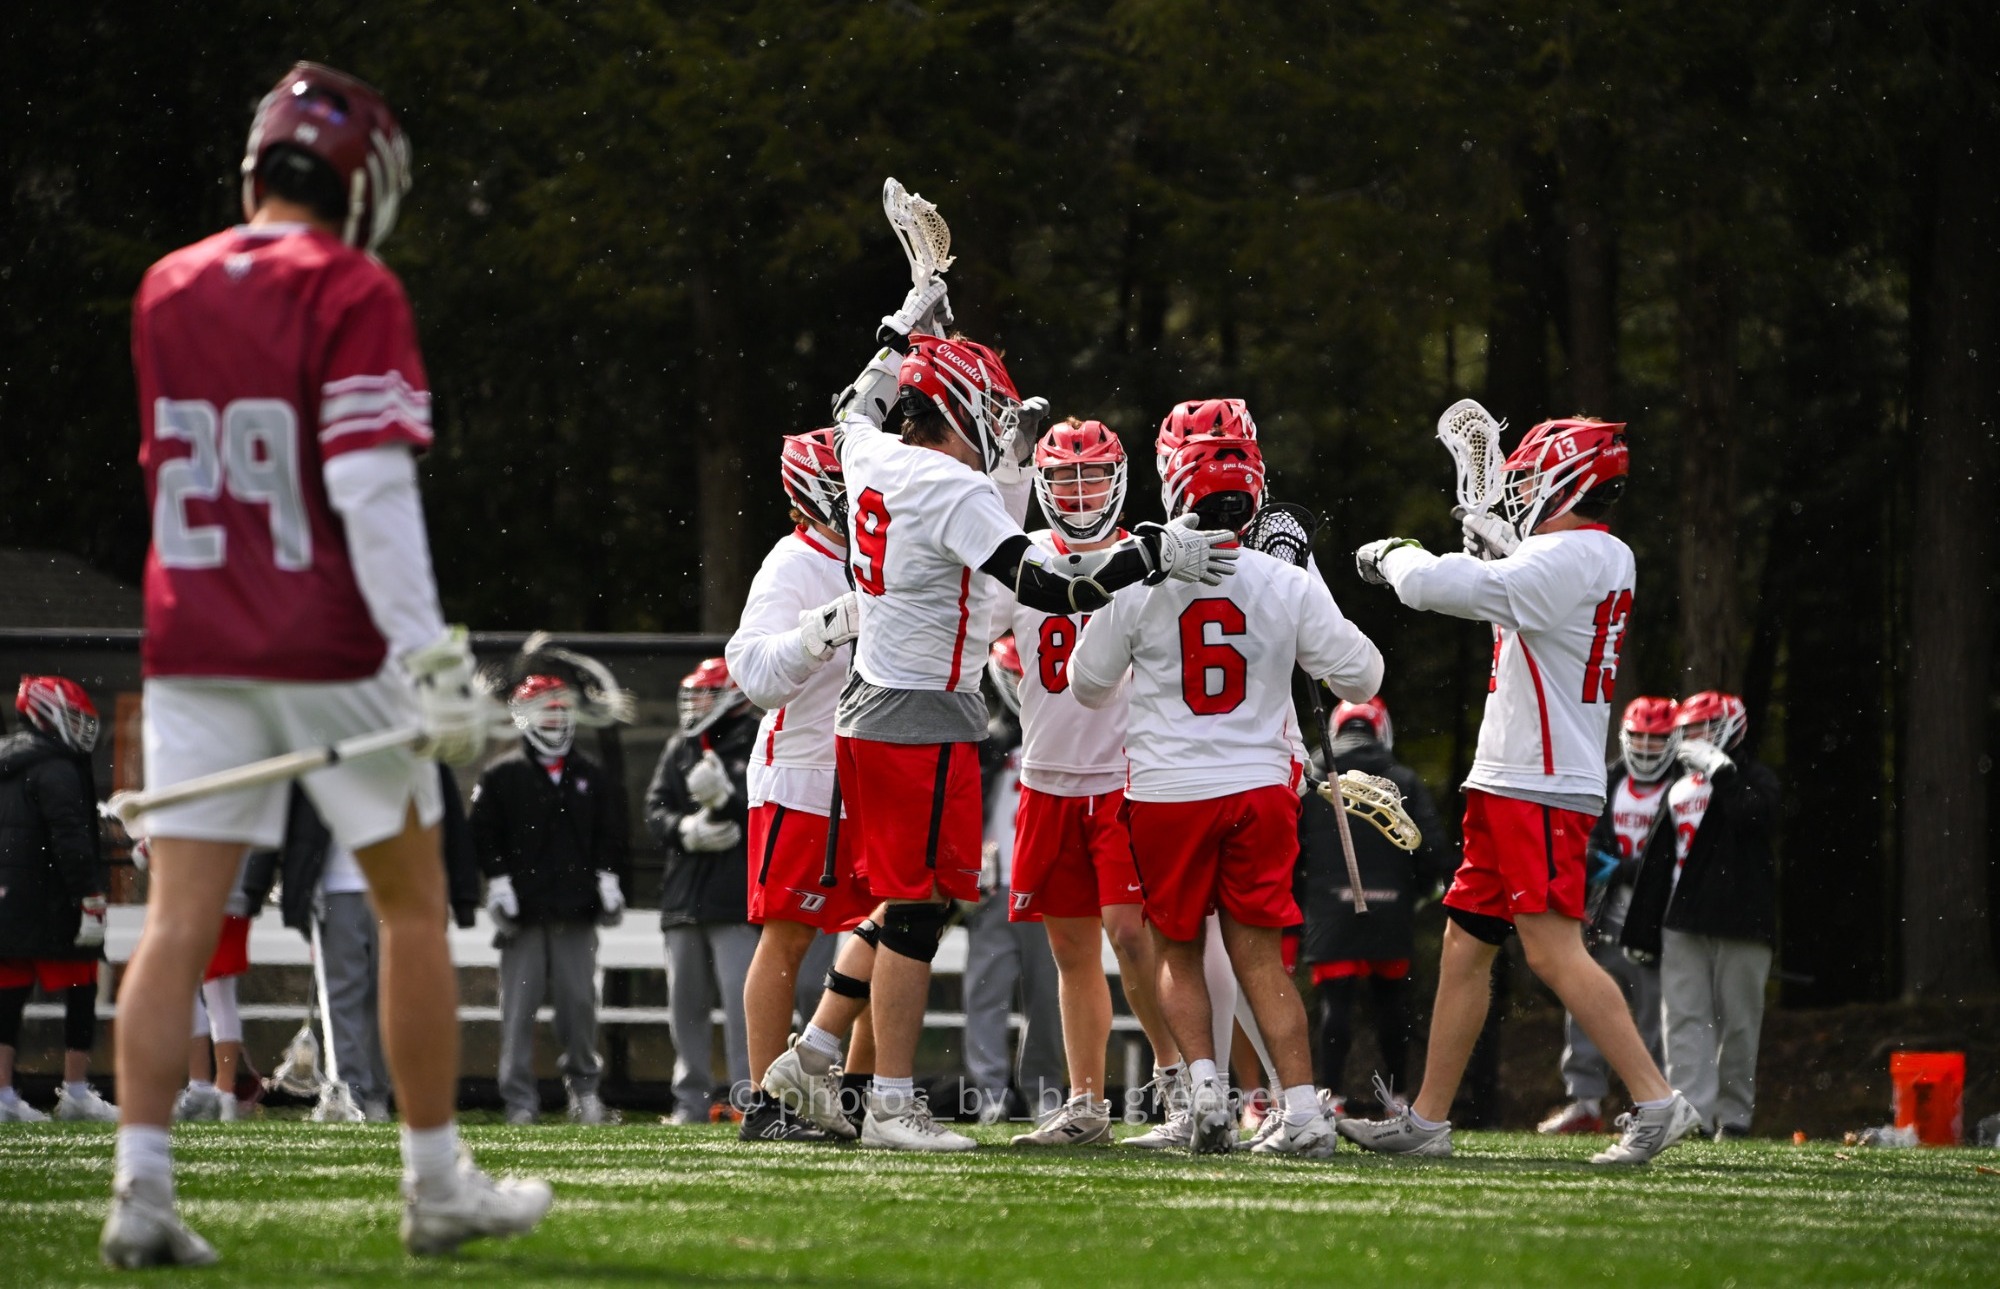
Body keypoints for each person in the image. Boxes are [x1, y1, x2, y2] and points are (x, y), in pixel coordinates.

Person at [110, 62, 550, 1267]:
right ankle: (430, 1180)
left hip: (195, 636)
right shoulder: (352, 285)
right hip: (330, 635)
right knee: (410, 907)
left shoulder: (166, 285)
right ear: (361, 186)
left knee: (176, 925)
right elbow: (364, 487)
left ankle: (140, 1186)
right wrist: (432, 658)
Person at [802, 280, 1236, 1152]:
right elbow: (1048, 586)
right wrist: (1149, 554)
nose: (1005, 434)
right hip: (935, 722)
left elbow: (855, 403)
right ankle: (869, 1089)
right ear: (959, 405)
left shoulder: (868, 453)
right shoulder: (961, 497)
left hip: (894, 708)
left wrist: (899, 326)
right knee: (918, 911)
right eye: (990, 410)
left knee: (912, 907)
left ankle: (817, 1056)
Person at [1343, 415, 1700, 1165]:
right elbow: (1520, 583)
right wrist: (1497, 547)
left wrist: (1397, 555)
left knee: (1551, 949)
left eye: (1534, 479)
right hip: (1515, 776)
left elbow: (1451, 587)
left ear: (1571, 482)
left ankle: (1657, 1098)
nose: (1521, 493)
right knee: (1465, 944)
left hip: (1538, 781)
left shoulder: (1571, 555)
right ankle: (1429, 1118)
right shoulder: (1591, 554)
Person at [1072, 431, 1385, 1157]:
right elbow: (1363, 678)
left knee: (1179, 953)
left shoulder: (1141, 575)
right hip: (1256, 787)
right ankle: (1304, 1110)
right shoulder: (1284, 579)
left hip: (1166, 791)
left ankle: (1208, 1096)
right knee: (1257, 958)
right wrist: (1304, 575)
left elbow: (1087, 688)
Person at [990, 420, 1185, 1147]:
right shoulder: (1024, 558)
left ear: (1119, 478)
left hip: (1125, 778)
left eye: (1092, 476)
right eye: (1065, 479)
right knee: (1071, 952)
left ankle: (1176, 1083)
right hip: (1046, 776)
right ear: (1042, 484)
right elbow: (977, 625)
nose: (1079, 492)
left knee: (1133, 939)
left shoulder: (1149, 552)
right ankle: (1086, 1102)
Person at [725, 428, 878, 1143]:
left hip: (866, 771)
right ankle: (765, 1098)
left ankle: (855, 1090)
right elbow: (751, 668)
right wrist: (817, 632)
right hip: (803, 774)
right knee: (788, 938)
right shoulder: (792, 560)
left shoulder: (869, 549)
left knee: (883, 931)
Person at [472, 675, 628, 1126]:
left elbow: (610, 834)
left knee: (580, 1006)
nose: (555, 717)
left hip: (577, 914)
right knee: (517, 1013)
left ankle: (584, 1091)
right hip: (523, 916)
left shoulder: (591, 774)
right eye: (545, 708)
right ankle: (519, 1099)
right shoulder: (502, 774)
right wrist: (497, 883)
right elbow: (483, 834)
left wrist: (608, 879)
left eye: (560, 707)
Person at [1622, 692, 1779, 1140]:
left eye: (1704, 728)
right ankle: (1691, 1114)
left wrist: (1723, 773)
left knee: (1739, 1021)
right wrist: (1644, 928)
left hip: (1740, 921)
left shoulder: (1754, 778)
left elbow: (1756, 816)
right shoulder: (1677, 787)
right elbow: (1659, 866)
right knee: (1684, 1020)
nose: (1695, 739)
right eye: (1688, 730)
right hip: (1683, 921)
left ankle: (1734, 1117)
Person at [1299, 697, 1453, 1116]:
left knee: (1336, 1006)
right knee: (1392, 1007)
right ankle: (1398, 1097)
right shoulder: (1404, 778)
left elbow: (1291, 848)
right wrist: (1418, 890)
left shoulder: (1310, 782)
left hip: (1329, 909)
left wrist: (1305, 896)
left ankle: (1330, 1096)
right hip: (1392, 908)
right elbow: (1434, 849)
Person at [1539, 695, 1678, 1135]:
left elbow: (1676, 855)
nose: (1647, 747)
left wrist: (1630, 869)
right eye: (1639, 737)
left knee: (1656, 1017)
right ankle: (1585, 1102)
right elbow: (1586, 838)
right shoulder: (1606, 779)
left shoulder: (1684, 786)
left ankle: (1651, 1103)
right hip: (1606, 918)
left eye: (1657, 740)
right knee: (1584, 1007)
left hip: (1657, 925)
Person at [645, 659, 759, 1124]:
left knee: (742, 1005)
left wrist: (727, 801)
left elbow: (765, 809)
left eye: (707, 695)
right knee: (685, 1008)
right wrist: (684, 829)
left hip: (735, 900)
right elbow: (654, 809)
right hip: (683, 901)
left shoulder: (756, 737)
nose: (697, 705)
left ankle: (747, 1099)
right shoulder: (681, 746)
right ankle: (688, 1101)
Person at [0, 676, 116, 1124]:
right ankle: (75, 1091)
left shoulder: (8, 758)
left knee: (7, 995)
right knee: (81, 986)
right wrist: (89, 895)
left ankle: (5, 1095)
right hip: (52, 902)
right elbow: (72, 842)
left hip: (9, 900)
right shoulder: (60, 768)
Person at [960, 640, 1065, 1126]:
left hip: (1046, 883)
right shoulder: (985, 740)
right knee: (985, 992)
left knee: (1049, 994)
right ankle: (989, 1092)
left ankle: (1044, 1088)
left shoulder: (1065, 735)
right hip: (994, 884)